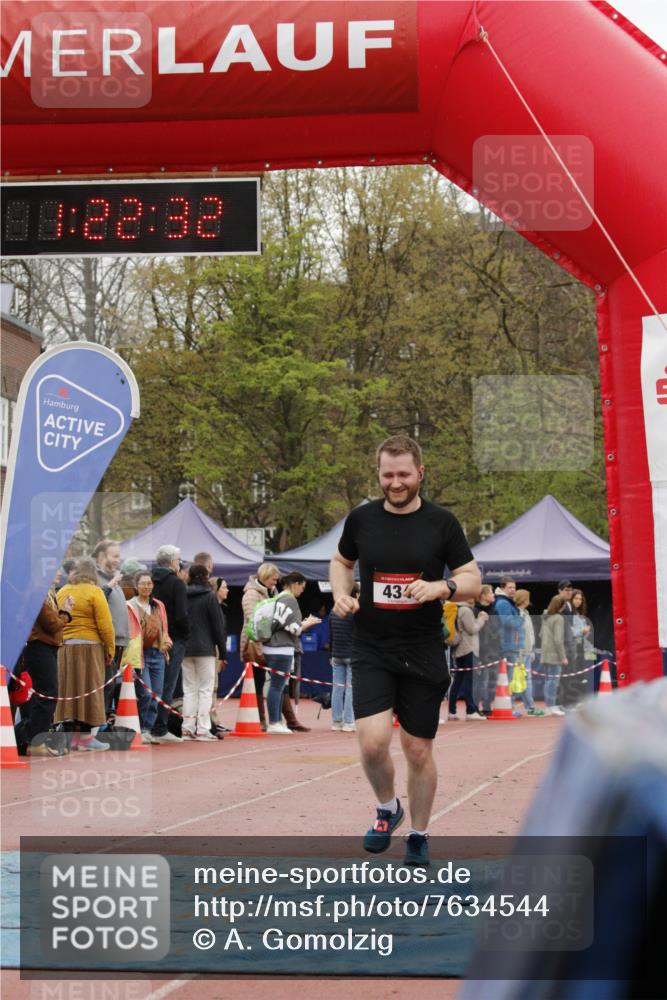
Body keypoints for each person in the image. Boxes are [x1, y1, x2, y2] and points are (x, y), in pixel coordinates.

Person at [330, 435, 481, 867]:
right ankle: (386, 809)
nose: (395, 483)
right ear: (379, 474)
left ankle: (419, 833)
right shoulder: (361, 520)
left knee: (418, 750)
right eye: (387, 474)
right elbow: (341, 562)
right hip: (372, 645)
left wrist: (441, 587)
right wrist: (342, 593)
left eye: (403, 474)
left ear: (420, 473)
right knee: (373, 743)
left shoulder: (442, 523)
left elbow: (473, 579)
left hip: (422, 649)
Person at [54, 557, 115, 750]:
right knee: (91, 690)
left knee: (69, 690)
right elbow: (105, 626)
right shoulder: (95, 592)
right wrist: (110, 649)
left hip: (65, 647)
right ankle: (86, 738)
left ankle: (70, 735)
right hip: (90, 648)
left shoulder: (63, 591)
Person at [14, 577, 74, 756]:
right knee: (48, 692)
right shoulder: (38, 593)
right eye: (54, 569)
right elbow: (52, 624)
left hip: (47, 647)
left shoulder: (49, 593)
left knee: (46, 693)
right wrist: (65, 612)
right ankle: (32, 739)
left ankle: (33, 737)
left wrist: (62, 613)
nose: (58, 573)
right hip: (39, 647)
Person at [261, 572, 320, 735]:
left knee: (276, 686)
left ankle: (276, 721)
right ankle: (274, 722)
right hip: (281, 647)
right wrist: (306, 624)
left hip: (271, 646)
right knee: (277, 686)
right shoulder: (290, 600)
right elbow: (295, 629)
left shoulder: (279, 597)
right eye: (302, 587)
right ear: (295, 584)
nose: (302, 591)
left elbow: (283, 624)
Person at [182, 563, 228, 740]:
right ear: (205, 576)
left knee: (189, 689)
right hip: (205, 649)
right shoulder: (209, 596)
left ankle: (187, 728)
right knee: (205, 689)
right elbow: (218, 627)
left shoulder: (183, 595)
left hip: (186, 648)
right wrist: (222, 653)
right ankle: (202, 729)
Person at [151, 544, 190, 743]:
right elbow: (182, 614)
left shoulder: (147, 580)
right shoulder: (176, 583)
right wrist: (185, 634)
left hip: (151, 638)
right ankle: (160, 727)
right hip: (173, 639)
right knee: (168, 684)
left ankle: (149, 725)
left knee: (152, 685)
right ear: (174, 562)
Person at [126, 572, 172, 744]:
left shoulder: (158, 605)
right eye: (143, 583)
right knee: (145, 693)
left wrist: (166, 643)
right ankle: (141, 728)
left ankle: (148, 728)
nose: (147, 586)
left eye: (149, 583)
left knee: (157, 693)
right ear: (136, 586)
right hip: (140, 655)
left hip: (158, 654)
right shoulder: (130, 606)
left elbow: (165, 628)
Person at [241, 563, 281, 731]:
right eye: (274, 579)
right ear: (265, 577)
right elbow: (252, 618)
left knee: (270, 681)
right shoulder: (251, 594)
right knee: (256, 682)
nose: (276, 583)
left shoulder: (273, 592)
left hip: (269, 643)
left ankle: (270, 719)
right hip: (254, 644)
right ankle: (259, 719)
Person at [93, 539, 130, 718]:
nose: (117, 560)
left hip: (119, 641)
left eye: (119, 556)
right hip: (105, 642)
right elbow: (97, 603)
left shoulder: (113, 578)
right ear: (102, 556)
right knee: (104, 685)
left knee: (111, 685)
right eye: (114, 556)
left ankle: (104, 721)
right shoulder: (97, 578)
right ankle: (98, 725)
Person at [448, 599, 487, 720]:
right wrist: (481, 619)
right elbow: (472, 629)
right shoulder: (465, 610)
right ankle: (470, 711)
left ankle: (452, 711)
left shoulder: (458, 608)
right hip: (468, 649)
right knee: (469, 681)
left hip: (460, 649)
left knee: (458, 680)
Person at [330, 584, 360, 732]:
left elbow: (331, 635)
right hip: (352, 654)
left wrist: (330, 654)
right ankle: (349, 721)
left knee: (337, 687)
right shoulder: (355, 612)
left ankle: (336, 721)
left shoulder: (334, 611)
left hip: (337, 653)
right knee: (350, 688)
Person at [514, 589, 544, 717]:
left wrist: (531, 651)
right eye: (527, 598)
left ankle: (530, 707)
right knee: (515, 680)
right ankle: (510, 707)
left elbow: (530, 634)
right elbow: (517, 635)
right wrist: (519, 654)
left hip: (527, 652)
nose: (529, 600)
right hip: (519, 653)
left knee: (526, 681)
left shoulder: (526, 613)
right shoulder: (517, 614)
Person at [540, 595, 568, 716]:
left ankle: (548, 705)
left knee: (548, 680)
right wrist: (563, 656)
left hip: (545, 652)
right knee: (553, 681)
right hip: (554, 654)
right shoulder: (558, 618)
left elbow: (540, 634)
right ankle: (551, 706)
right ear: (561, 606)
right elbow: (558, 639)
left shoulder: (545, 616)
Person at [476, 584, 501, 714]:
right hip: (480, 651)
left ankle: (487, 706)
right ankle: (475, 708)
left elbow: (498, 629)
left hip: (494, 650)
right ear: (483, 596)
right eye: (491, 592)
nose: (493, 595)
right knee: (482, 681)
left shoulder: (495, 610)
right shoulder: (475, 610)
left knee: (493, 680)